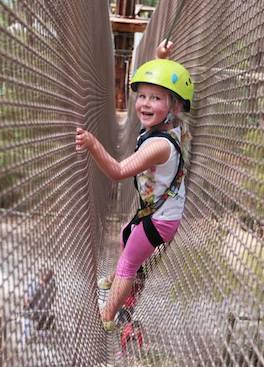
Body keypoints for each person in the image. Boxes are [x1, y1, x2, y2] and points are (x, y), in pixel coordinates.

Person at [75, 40, 193, 331]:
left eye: (155, 99)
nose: (145, 104)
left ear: (173, 106)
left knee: (129, 262)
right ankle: (118, 281)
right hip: (158, 209)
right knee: (125, 236)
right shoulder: (169, 123)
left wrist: (91, 143)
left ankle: (107, 317)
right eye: (142, 96)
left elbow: (116, 171)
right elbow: (166, 88)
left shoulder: (158, 146)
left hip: (162, 219)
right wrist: (161, 58)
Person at [23, 268, 56, 338]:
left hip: (34, 316)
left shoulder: (35, 283)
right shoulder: (53, 286)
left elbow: (27, 301)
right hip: (44, 316)